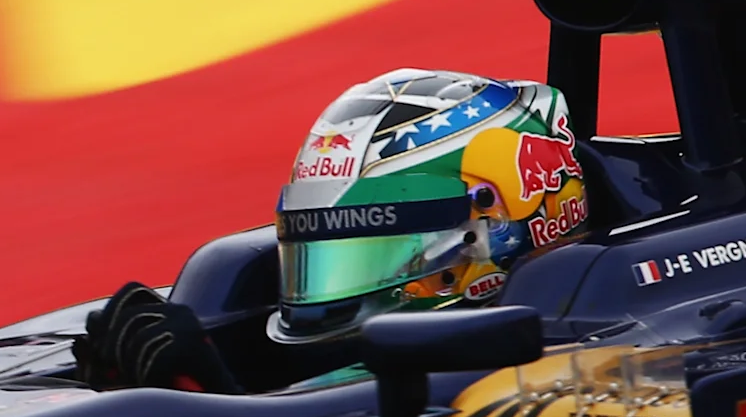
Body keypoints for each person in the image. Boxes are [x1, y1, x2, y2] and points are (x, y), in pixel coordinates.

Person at [80, 68, 592, 392]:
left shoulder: (581, 365)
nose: (334, 279)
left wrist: (209, 398)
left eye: (375, 244)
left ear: (488, 225)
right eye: (319, 245)